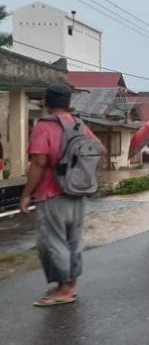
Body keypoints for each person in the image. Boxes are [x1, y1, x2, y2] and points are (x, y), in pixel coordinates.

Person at [20, 83, 105, 307]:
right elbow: (101, 150)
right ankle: (68, 286)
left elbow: (39, 162)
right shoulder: (78, 124)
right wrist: (84, 175)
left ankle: (63, 291)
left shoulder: (44, 126)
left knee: (53, 241)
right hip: (77, 192)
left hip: (52, 193)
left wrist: (26, 194)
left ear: (47, 103)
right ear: (69, 103)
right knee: (72, 240)